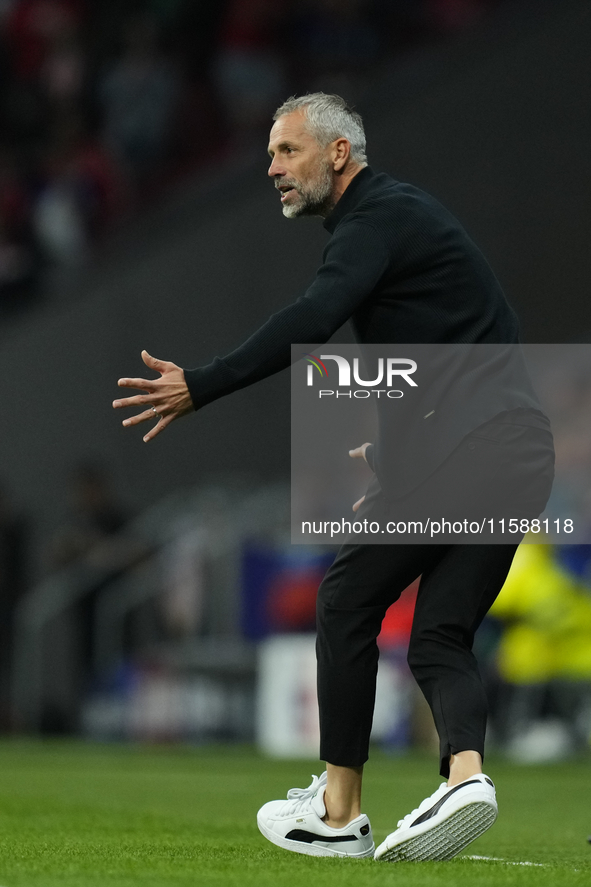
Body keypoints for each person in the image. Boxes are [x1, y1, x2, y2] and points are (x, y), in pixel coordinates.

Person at [112, 93, 554, 862]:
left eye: (288, 152)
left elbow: (314, 317)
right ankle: (465, 778)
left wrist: (202, 383)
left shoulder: (371, 220)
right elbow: (452, 343)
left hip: (476, 449)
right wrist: (395, 451)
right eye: (271, 158)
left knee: (347, 597)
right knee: (440, 634)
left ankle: (339, 810)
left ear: (338, 154)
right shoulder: (406, 219)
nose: (275, 171)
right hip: (516, 454)